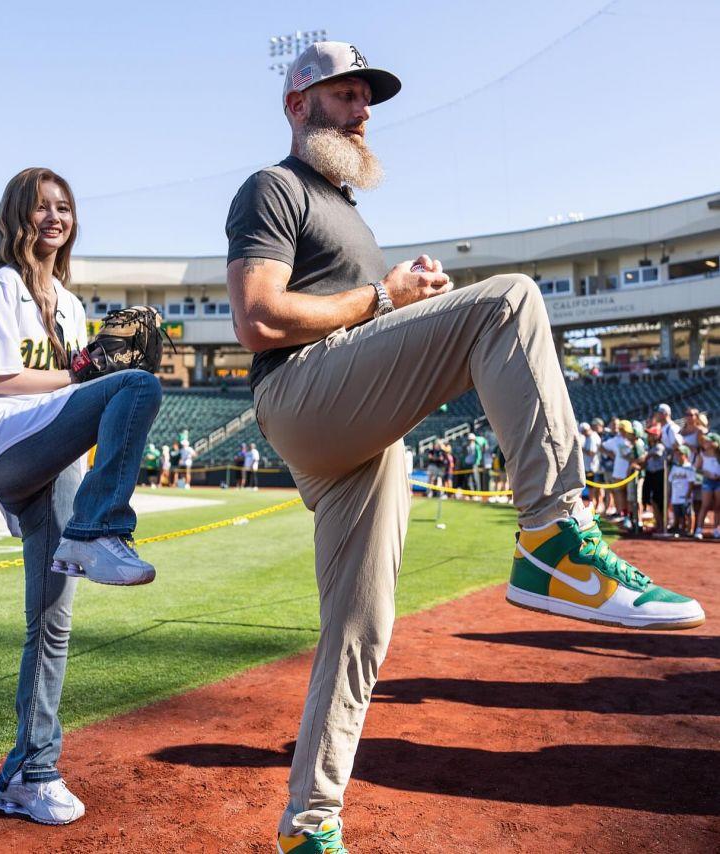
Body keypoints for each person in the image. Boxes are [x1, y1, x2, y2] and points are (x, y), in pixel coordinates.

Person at [224, 40, 704, 851]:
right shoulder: (273, 186)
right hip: (298, 392)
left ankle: (309, 826)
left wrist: (399, 303)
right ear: (297, 104)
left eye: (366, 96)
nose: (363, 109)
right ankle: (554, 538)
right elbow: (258, 318)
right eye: (344, 94)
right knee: (509, 299)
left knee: (361, 628)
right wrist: (385, 296)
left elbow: (361, 313)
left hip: (359, 433)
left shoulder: (354, 215)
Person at [0, 168, 162, 826]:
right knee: (138, 387)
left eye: (64, 206)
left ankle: (28, 771)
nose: (54, 217)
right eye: (41, 207)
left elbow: (73, 389)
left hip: (53, 448)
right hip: (6, 443)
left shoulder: (69, 304)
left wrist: (88, 370)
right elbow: (0, 378)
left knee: (51, 622)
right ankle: (99, 530)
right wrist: (81, 369)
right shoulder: (3, 288)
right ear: (19, 216)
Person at [639, 424, 666, 533]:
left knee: (659, 501)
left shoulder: (659, 446)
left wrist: (636, 462)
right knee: (653, 500)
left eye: (651, 434)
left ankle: (662, 525)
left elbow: (647, 457)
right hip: (651, 475)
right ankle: (658, 523)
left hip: (659, 475)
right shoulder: (650, 447)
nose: (649, 436)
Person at [693, 431, 720, 539]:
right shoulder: (702, 454)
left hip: (719, 482)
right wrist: (707, 473)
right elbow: (697, 468)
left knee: (718, 506)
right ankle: (699, 529)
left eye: (709, 441)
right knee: (705, 505)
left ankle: (716, 529)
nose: (706, 442)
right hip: (707, 482)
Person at [667, 445, 696, 535]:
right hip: (676, 495)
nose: (678, 456)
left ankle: (690, 530)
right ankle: (681, 529)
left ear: (686, 455)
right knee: (678, 514)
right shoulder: (675, 467)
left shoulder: (689, 467)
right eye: (677, 454)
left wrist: (688, 493)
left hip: (685, 495)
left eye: (680, 454)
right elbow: (671, 481)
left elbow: (691, 482)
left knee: (688, 513)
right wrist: (670, 494)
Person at [579, 422, 601, 512]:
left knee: (593, 489)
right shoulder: (589, 437)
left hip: (593, 467)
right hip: (590, 467)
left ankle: (594, 505)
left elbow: (591, 453)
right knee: (592, 489)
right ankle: (594, 505)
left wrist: (581, 448)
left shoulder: (592, 438)